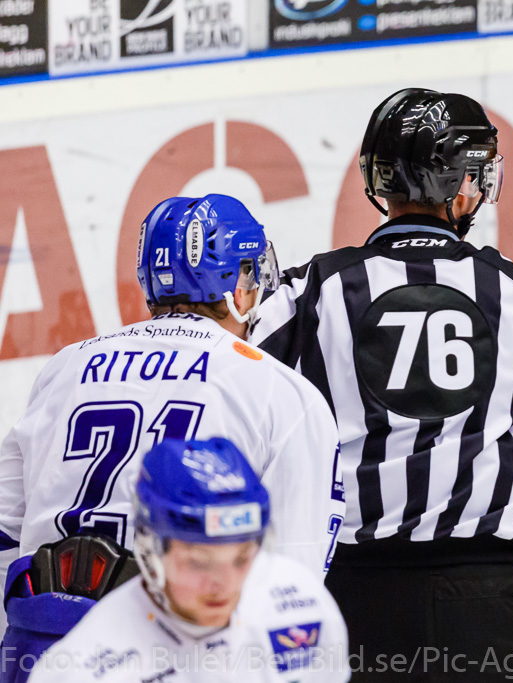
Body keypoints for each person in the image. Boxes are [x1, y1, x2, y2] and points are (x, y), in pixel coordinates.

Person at [249, 87, 513, 682]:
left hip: (351, 605)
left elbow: (219, 375)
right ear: (461, 184)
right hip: (487, 604)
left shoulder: (311, 291)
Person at [0, 194, 341, 679]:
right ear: (238, 287)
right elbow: (293, 578)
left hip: (38, 646)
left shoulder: (66, 365)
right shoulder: (283, 392)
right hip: (173, 653)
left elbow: (5, 528)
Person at [25, 437, 349, 682]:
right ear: (151, 551)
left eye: (241, 559)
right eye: (199, 562)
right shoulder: (81, 668)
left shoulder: (302, 604)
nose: (223, 583)